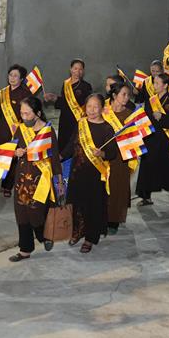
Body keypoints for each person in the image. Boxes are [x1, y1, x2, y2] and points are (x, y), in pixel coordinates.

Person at [62, 93, 118, 253]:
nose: (92, 110)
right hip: (77, 172)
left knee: (93, 206)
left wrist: (102, 153)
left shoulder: (107, 128)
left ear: (102, 108)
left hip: (95, 175)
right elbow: (71, 145)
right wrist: (60, 156)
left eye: (95, 107)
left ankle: (90, 238)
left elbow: (113, 153)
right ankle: (77, 231)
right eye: (89, 106)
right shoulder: (81, 124)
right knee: (76, 203)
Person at [7, 97, 59, 262]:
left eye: (27, 114)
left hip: (41, 179)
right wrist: (15, 153)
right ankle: (25, 249)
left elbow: (54, 158)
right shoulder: (20, 129)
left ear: (37, 113)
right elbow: (11, 149)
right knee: (21, 213)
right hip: (22, 178)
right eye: (21, 113)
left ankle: (44, 234)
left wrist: (58, 181)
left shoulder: (47, 131)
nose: (24, 117)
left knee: (37, 212)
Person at [135, 72, 169, 203]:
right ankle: (145, 196)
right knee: (147, 166)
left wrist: (162, 118)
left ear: (165, 85)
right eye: (154, 83)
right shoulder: (151, 100)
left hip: (166, 139)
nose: (154, 85)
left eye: (157, 83)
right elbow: (146, 118)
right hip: (151, 138)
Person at [0, 65, 30, 197]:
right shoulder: (3, 93)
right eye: (10, 75)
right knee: (3, 156)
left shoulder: (25, 94)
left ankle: (8, 186)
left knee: (13, 158)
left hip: (17, 131)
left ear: (21, 79)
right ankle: (4, 182)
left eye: (16, 76)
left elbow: (30, 114)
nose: (12, 78)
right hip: (3, 130)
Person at [101, 83, 135, 234]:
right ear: (114, 96)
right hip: (103, 157)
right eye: (124, 94)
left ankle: (114, 220)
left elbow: (134, 138)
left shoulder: (130, 115)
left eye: (128, 95)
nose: (127, 98)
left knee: (118, 188)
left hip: (121, 158)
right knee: (103, 187)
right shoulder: (103, 112)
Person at [48, 58, 92, 155]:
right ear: (71, 69)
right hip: (64, 118)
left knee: (75, 143)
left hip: (77, 119)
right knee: (63, 142)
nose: (78, 71)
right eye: (75, 68)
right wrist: (54, 98)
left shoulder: (86, 86)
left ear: (83, 71)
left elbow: (87, 104)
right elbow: (64, 102)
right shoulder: (65, 84)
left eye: (80, 69)